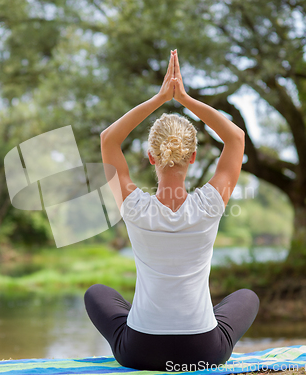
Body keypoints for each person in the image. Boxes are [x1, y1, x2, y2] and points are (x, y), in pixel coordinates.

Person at [84, 49, 259, 371]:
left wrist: (160, 98)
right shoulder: (210, 203)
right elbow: (235, 138)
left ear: (151, 157)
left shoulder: (134, 206)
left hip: (139, 352)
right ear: (192, 158)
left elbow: (109, 139)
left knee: (96, 292)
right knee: (247, 296)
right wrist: (186, 98)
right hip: (203, 351)